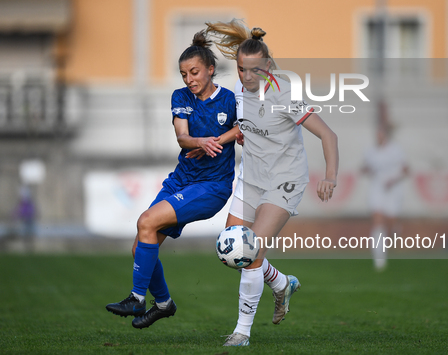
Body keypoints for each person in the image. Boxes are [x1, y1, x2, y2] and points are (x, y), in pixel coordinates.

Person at [204, 19, 339, 346]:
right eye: (241, 70)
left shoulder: (285, 94)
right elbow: (247, 123)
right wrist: (241, 135)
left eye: (254, 70)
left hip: (284, 181)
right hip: (250, 179)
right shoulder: (238, 90)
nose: (247, 77)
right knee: (232, 250)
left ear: (267, 66)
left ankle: (242, 333)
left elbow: (328, 134)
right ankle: (280, 283)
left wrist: (330, 177)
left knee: (249, 251)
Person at [105, 31, 239, 330]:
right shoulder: (180, 97)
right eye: (183, 74)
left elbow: (243, 130)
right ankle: (163, 303)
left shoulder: (230, 99)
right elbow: (182, 138)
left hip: (212, 187)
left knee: (146, 221)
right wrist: (198, 142)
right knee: (140, 246)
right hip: (180, 180)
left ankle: (138, 298)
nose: (189, 79)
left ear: (210, 70)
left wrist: (216, 140)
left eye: (194, 72)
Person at [360, 124, 409, 271]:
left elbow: (406, 170)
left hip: (393, 190)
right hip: (377, 189)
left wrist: (393, 180)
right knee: (377, 222)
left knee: (390, 225)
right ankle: (379, 260)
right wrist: (366, 170)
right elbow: (365, 167)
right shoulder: (371, 151)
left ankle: (394, 230)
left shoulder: (395, 150)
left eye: (381, 133)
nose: (378, 136)